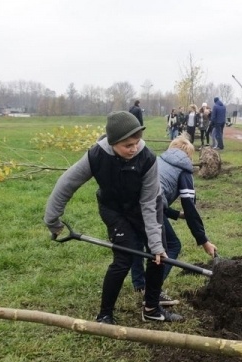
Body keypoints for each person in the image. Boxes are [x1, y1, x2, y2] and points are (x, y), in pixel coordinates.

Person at [44, 111, 182, 324]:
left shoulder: (147, 158)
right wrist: (52, 220)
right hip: (114, 210)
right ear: (113, 143)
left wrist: (155, 245)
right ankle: (105, 314)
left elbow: (149, 203)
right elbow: (67, 184)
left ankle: (152, 309)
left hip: (143, 208)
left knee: (159, 255)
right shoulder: (96, 156)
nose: (134, 148)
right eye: (127, 145)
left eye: (136, 142)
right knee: (123, 257)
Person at [130, 135, 217, 296]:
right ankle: (152, 289)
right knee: (172, 245)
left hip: (130, 204)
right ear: (189, 155)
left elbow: (158, 198)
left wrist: (177, 214)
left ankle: (140, 284)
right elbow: (190, 207)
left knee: (138, 242)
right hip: (151, 208)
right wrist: (204, 241)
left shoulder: (158, 161)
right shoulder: (184, 170)